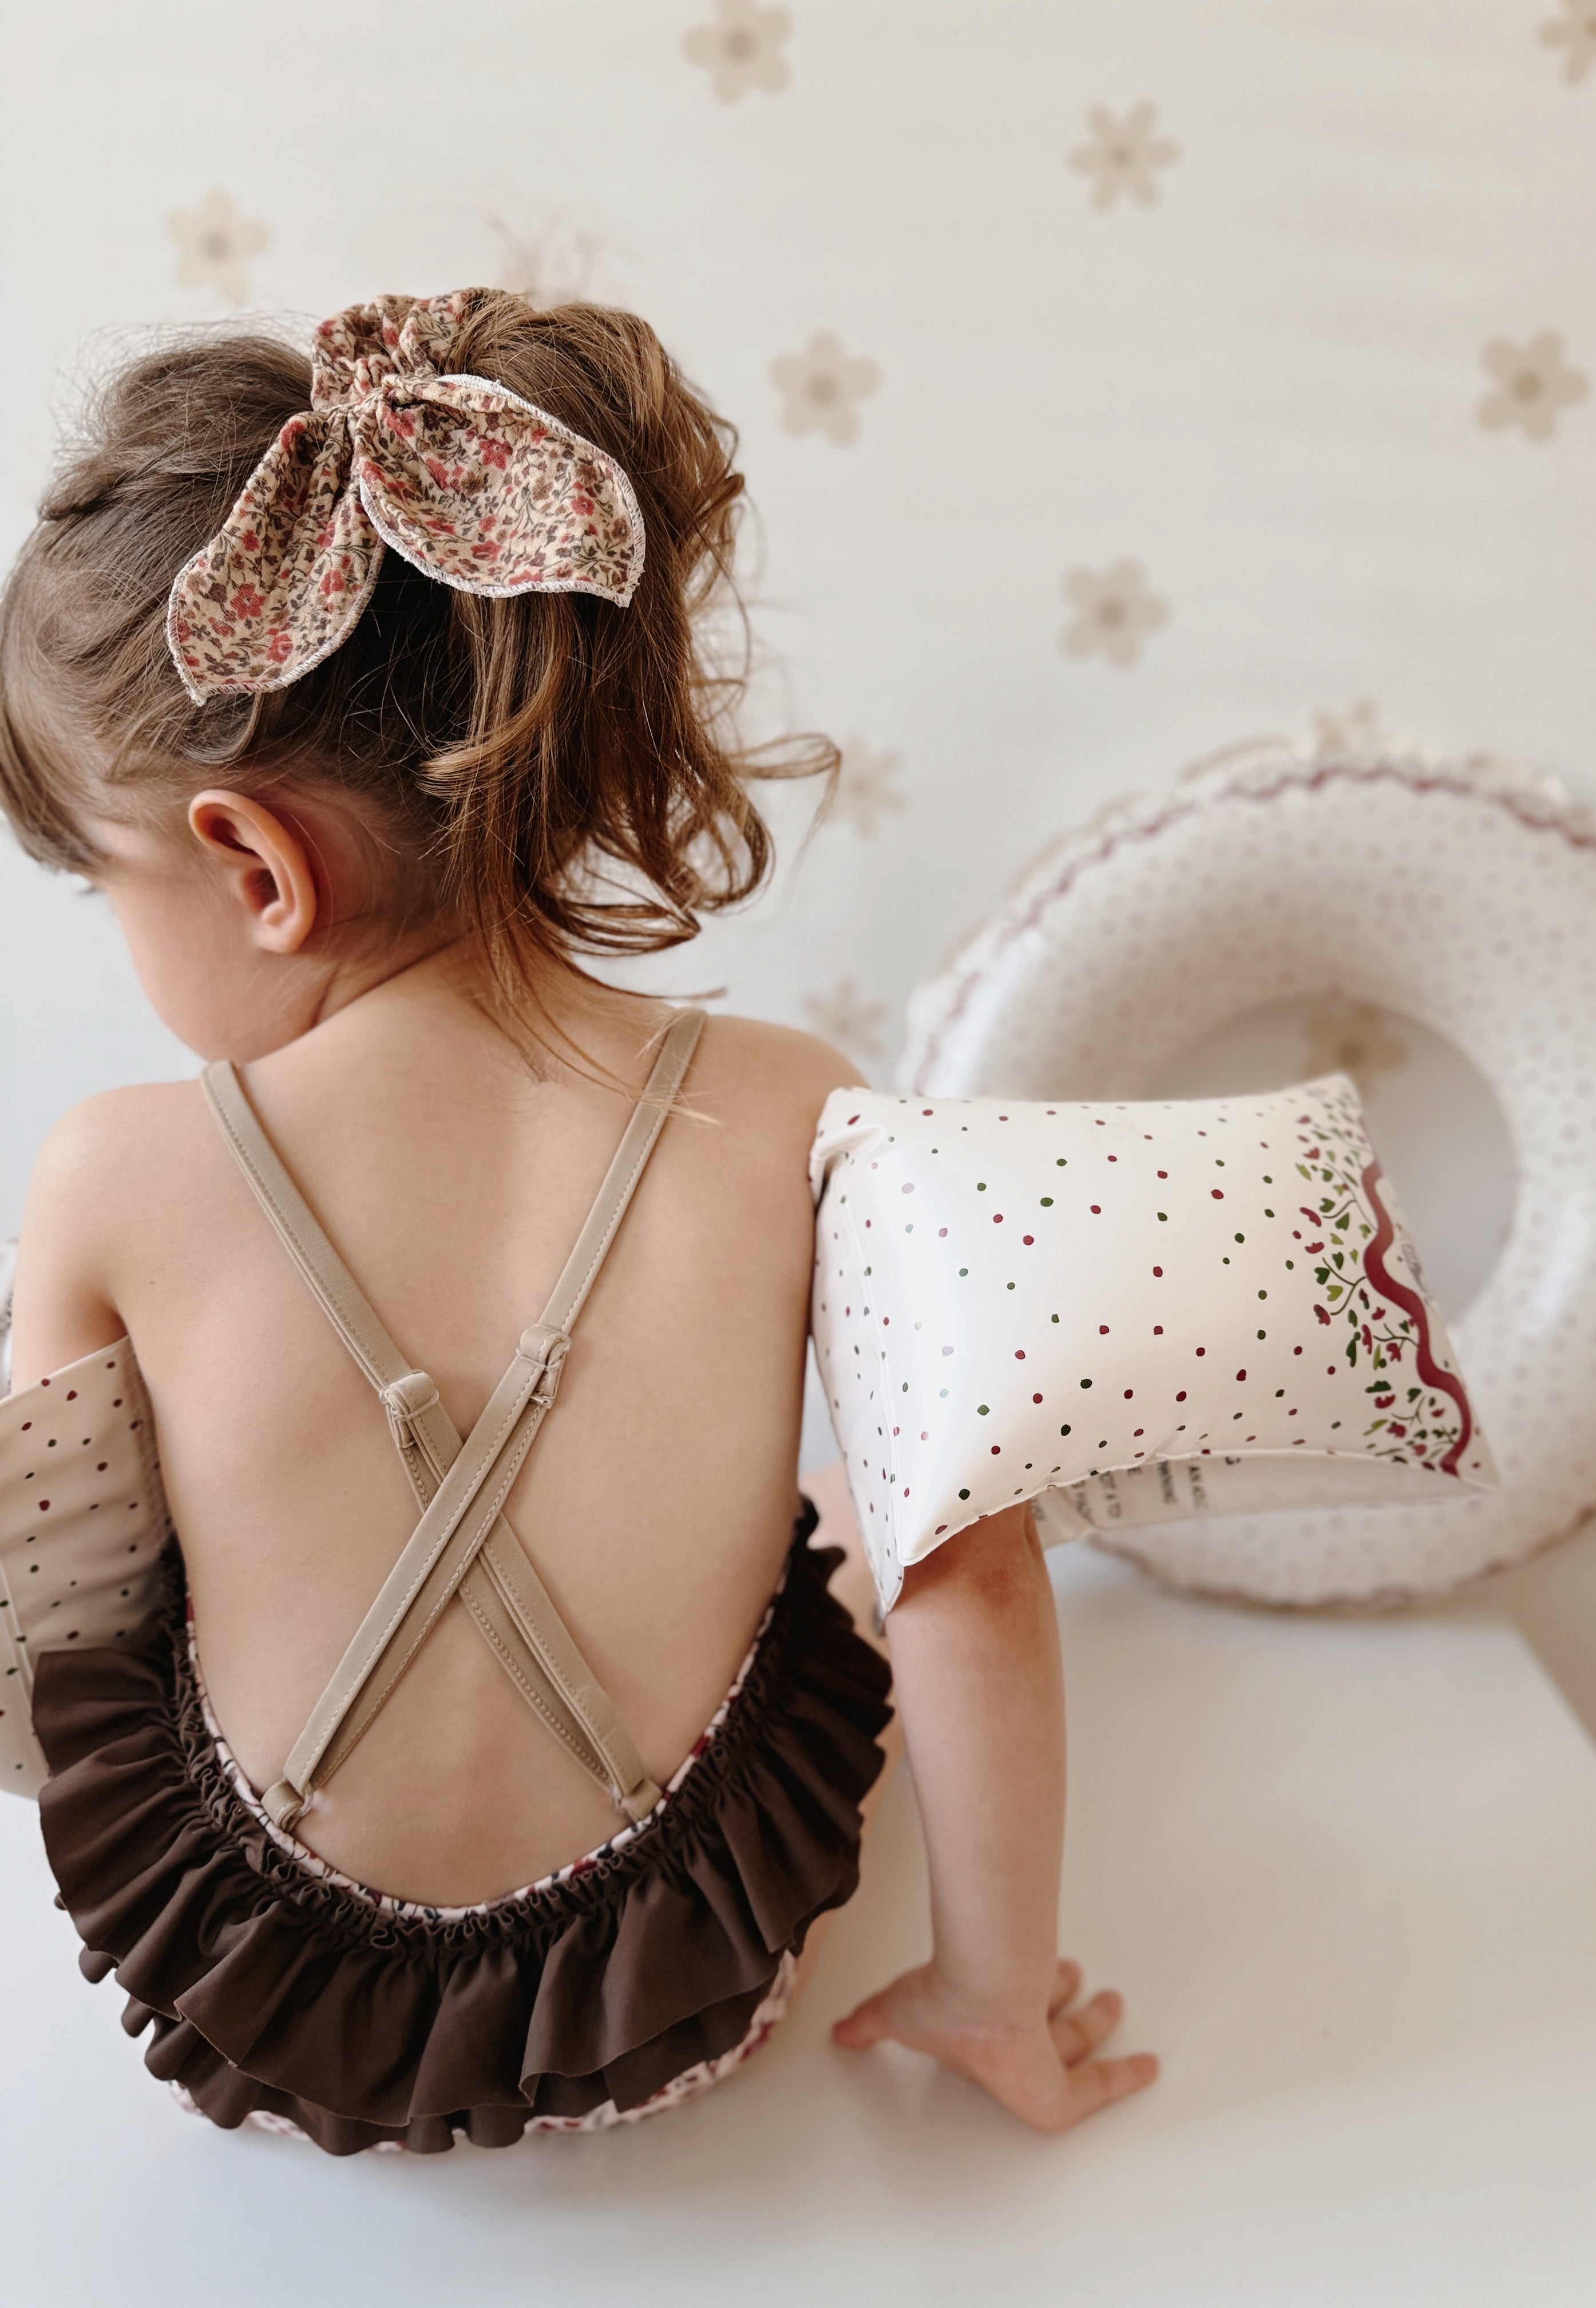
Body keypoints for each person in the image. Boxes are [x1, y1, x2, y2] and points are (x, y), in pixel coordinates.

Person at [0, 289, 1157, 2152]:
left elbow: (45, 1623)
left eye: (99, 884)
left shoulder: (111, 1173)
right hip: (684, 1993)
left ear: (251, 863)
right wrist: (994, 1990)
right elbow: (984, 1587)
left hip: (274, 2015)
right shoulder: (787, 1105)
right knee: (888, 1523)